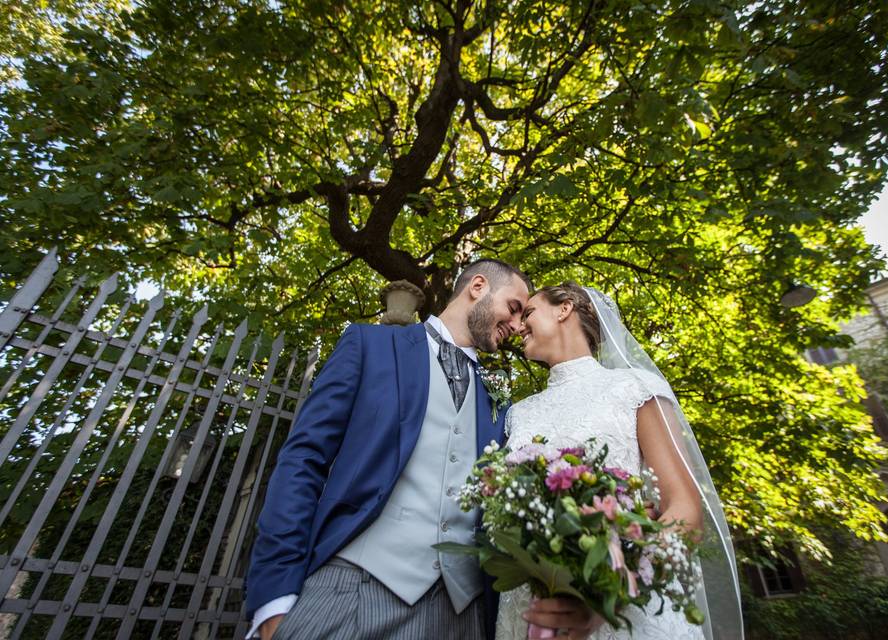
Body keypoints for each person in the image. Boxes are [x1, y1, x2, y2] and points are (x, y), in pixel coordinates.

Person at [244, 259, 532, 640]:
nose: (517, 325)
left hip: (462, 614)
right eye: (513, 308)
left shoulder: (501, 399)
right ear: (477, 287)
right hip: (351, 591)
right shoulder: (370, 344)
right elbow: (304, 460)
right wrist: (274, 593)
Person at [496, 282, 744, 640]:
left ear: (564, 308)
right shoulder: (518, 414)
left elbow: (686, 510)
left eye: (529, 312)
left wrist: (610, 591)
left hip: (623, 613)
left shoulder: (635, 388)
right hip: (528, 610)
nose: (518, 326)